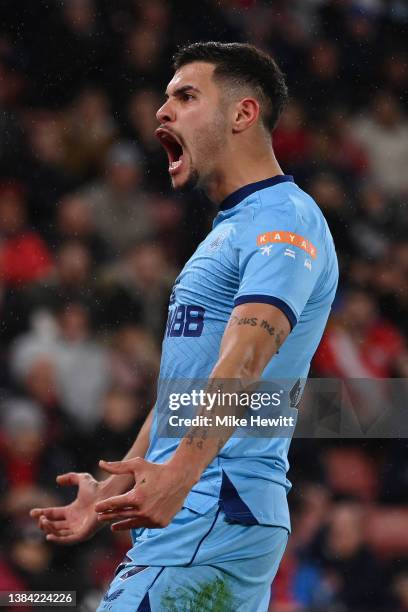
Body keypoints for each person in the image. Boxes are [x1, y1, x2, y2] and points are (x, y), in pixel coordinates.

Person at [31, 42, 338, 611]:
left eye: (187, 96)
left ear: (243, 114)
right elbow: (191, 389)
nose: (161, 110)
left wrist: (180, 473)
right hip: (211, 507)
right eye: (167, 96)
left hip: (215, 502)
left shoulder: (283, 220)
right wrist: (110, 493)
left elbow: (244, 363)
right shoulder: (233, 225)